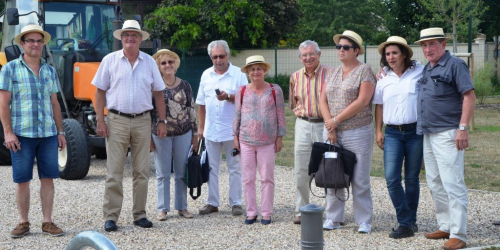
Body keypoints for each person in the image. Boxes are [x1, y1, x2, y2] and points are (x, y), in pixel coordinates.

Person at [92, 20, 167, 232]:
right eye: (126, 35)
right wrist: (100, 120)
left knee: (141, 171)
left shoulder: (150, 63)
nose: (130, 38)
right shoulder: (109, 61)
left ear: (141, 39)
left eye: (134, 35)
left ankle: (140, 214)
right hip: (116, 120)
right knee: (114, 172)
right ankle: (111, 217)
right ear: (121, 37)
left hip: (143, 120)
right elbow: (99, 92)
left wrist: (161, 121)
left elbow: (158, 93)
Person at [0, 24, 66, 238]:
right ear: (22, 44)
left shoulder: (49, 70)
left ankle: (47, 222)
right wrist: (8, 133)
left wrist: (60, 131)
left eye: (39, 41)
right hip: (21, 135)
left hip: (47, 134)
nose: (36, 44)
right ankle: (23, 222)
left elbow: (55, 103)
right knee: (22, 180)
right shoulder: (9, 69)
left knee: (48, 178)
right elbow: (3, 103)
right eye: (31, 41)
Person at [415, 27, 475, 250]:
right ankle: (446, 225)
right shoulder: (427, 69)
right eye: (424, 45)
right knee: (435, 182)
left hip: (448, 132)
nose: (427, 49)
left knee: (453, 183)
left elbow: (469, 96)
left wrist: (463, 128)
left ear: (443, 44)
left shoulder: (455, 65)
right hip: (428, 133)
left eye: (432, 44)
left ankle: (459, 234)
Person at [319, 30, 376, 234]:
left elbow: (362, 102)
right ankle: (334, 217)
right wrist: (330, 125)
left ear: (357, 51)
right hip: (333, 131)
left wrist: (335, 121)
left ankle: (364, 220)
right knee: (333, 174)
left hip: (358, 131)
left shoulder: (365, 71)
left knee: (359, 178)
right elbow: (322, 100)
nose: (341, 50)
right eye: (339, 47)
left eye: (346, 47)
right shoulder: (332, 72)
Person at [373, 36, 424, 239]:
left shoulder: (420, 72)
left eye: (394, 52)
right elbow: (379, 105)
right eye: (387, 54)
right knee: (392, 178)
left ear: (404, 53)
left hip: (415, 132)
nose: (391, 57)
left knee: (412, 179)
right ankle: (406, 220)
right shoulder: (383, 78)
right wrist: (379, 130)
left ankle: (407, 224)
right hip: (393, 132)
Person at [195, 40, 248, 216]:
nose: (218, 60)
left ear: (228, 55)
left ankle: (236, 203)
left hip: (232, 130)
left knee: (235, 167)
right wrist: (201, 128)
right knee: (211, 167)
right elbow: (201, 104)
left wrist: (228, 97)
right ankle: (212, 202)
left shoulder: (239, 74)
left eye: (221, 56)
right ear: (211, 57)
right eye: (215, 57)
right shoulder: (206, 75)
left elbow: (245, 99)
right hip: (211, 130)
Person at [233, 55, 286, 225]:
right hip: (246, 140)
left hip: (268, 141)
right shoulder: (241, 91)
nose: (256, 72)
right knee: (248, 178)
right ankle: (251, 212)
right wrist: (235, 136)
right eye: (252, 69)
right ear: (248, 72)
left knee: (267, 178)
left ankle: (266, 212)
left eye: (259, 68)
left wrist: (280, 137)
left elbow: (280, 115)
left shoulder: (274, 90)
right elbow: (237, 115)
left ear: (264, 70)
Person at [289, 40, 333, 224]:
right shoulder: (295, 77)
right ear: (300, 57)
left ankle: (332, 213)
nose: (308, 57)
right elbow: (293, 103)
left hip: (325, 124)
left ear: (319, 54)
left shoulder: (331, 74)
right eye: (304, 55)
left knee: (330, 168)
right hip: (304, 124)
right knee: (301, 169)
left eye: (311, 54)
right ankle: (301, 210)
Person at [151, 49, 198, 221]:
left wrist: (195, 133)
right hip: (160, 134)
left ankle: (182, 207)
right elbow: (150, 112)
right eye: (163, 63)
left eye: (170, 62)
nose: (167, 65)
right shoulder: (154, 85)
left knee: (181, 172)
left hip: (183, 133)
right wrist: (150, 137)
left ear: (175, 64)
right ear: (158, 66)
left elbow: (191, 109)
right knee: (162, 173)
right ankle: (163, 208)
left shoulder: (185, 85)